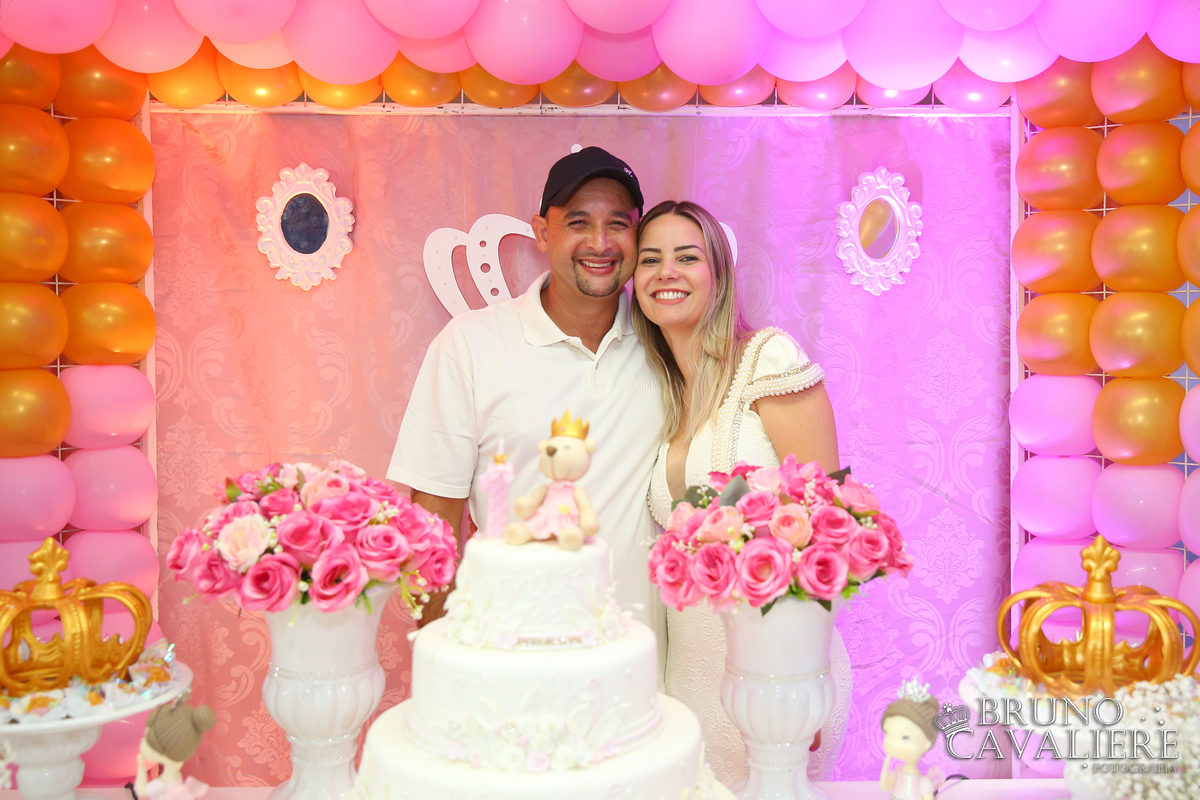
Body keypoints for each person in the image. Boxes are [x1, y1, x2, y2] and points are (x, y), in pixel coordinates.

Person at [388, 147, 666, 645]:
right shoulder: (470, 344)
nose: (599, 243)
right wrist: (450, 657)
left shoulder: (668, 344)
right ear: (542, 232)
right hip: (511, 661)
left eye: (617, 224)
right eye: (578, 222)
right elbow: (431, 526)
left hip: (642, 666)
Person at [633, 200, 851, 782]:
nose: (666, 273)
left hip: (778, 677)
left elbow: (828, 528)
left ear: (719, 273)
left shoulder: (766, 359)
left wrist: (804, 684)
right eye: (650, 259)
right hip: (692, 678)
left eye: (687, 257)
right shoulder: (663, 393)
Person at [134, 698, 216, 800]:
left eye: (149, 740)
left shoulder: (161, 785)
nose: (142, 742)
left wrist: (141, 766)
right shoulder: (176, 777)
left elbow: (140, 790)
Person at [879, 682, 940, 800]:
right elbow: (885, 786)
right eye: (887, 733)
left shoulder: (923, 782)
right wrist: (885, 767)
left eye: (905, 737)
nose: (892, 742)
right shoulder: (897, 774)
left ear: (926, 744)